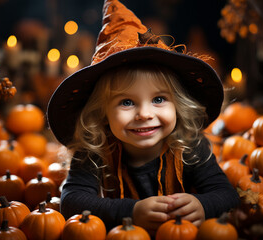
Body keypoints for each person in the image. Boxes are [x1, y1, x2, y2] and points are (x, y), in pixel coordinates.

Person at [47, 0, 240, 236]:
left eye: (159, 99)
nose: (145, 114)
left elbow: (227, 194)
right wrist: (132, 211)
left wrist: (203, 205)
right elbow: (71, 202)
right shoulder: (95, 152)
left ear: (178, 104)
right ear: (102, 113)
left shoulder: (190, 145)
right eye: (126, 102)